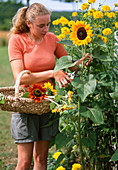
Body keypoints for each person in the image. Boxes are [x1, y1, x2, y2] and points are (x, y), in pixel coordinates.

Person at [8, 3, 92, 170]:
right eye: (41, 25)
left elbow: (69, 66)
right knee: (24, 162)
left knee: (41, 158)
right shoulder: (17, 41)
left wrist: (83, 62)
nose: (46, 29)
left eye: (48, 24)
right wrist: (52, 73)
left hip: (49, 103)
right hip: (26, 104)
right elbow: (20, 78)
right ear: (28, 23)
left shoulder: (52, 39)